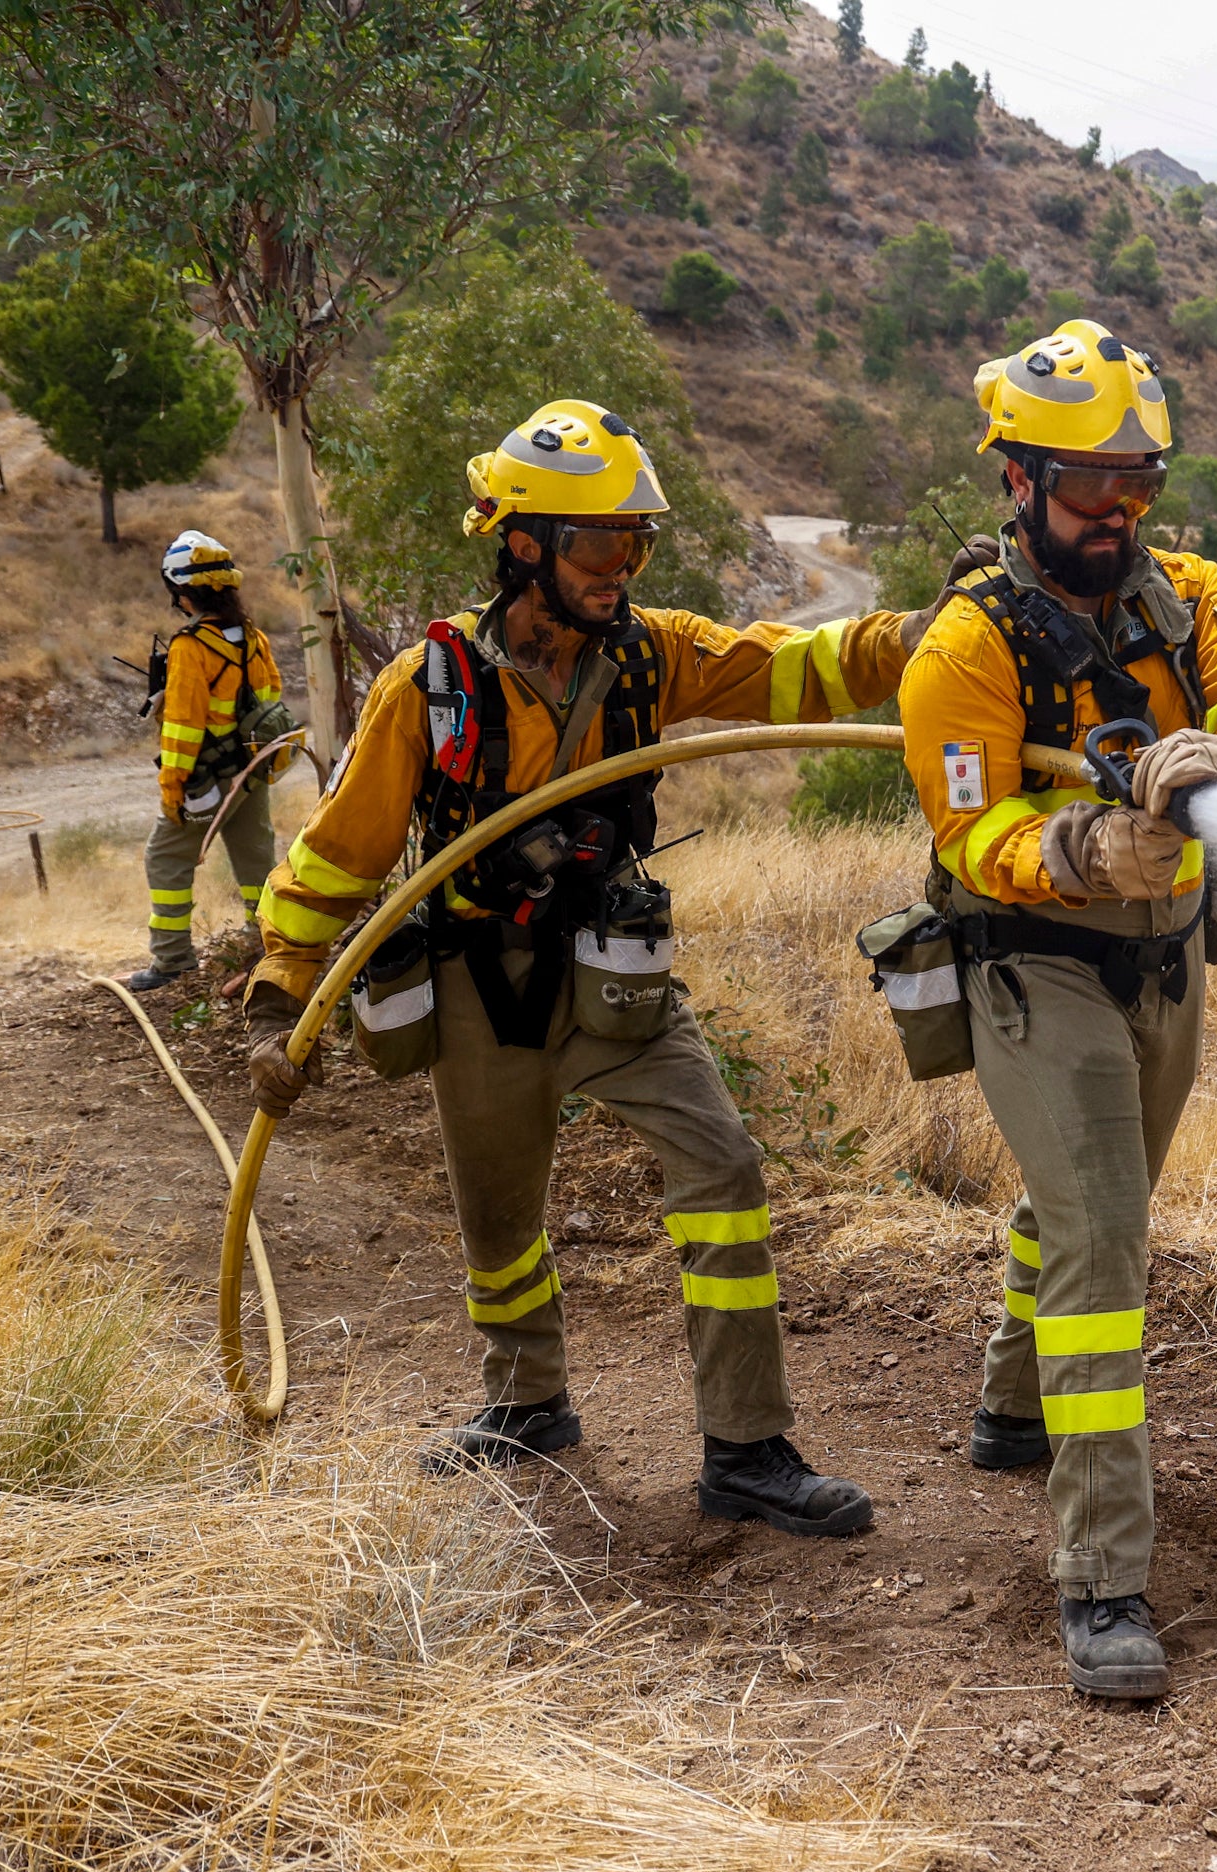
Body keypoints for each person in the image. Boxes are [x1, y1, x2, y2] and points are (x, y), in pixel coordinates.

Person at [243, 397, 942, 1528]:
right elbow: (340, 851)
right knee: (498, 1224)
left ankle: (748, 1450)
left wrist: (918, 634)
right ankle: (527, 1404)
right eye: (597, 545)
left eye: (634, 546)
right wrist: (283, 985)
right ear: (523, 545)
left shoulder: (653, 654)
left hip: (615, 976)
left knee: (722, 1168)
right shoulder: (429, 687)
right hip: (477, 984)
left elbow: (796, 669)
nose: (621, 570)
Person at [897, 318, 1217, 1698]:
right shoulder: (964, 646)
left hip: (1166, 962)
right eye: (1089, 482)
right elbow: (968, 830)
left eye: (1138, 480)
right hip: (1034, 965)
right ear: (1019, 479)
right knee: (1105, 1243)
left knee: (1096, 1197)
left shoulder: (1189, 595)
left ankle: (1010, 1406)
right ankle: (1101, 1579)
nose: (1118, 509)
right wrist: (1082, 847)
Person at [126, 530, 292, 994]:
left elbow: (183, 728)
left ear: (182, 593)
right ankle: (267, 946)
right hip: (251, 773)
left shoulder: (190, 646)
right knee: (256, 862)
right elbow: (270, 698)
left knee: (165, 857)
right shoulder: (253, 638)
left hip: (205, 781)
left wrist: (172, 790)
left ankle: (172, 959)